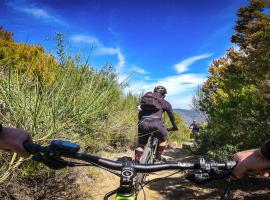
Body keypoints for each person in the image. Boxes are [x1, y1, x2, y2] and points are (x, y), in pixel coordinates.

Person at [134, 86, 178, 162]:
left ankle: (136, 161)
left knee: (141, 144)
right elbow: (171, 117)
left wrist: (141, 123)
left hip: (143, 123)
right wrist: (174, 127)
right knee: (163, 141)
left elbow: (140, 114)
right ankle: (158, 157)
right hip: (157, 125)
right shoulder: (164, 102)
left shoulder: (145, 100)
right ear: (163, 94)